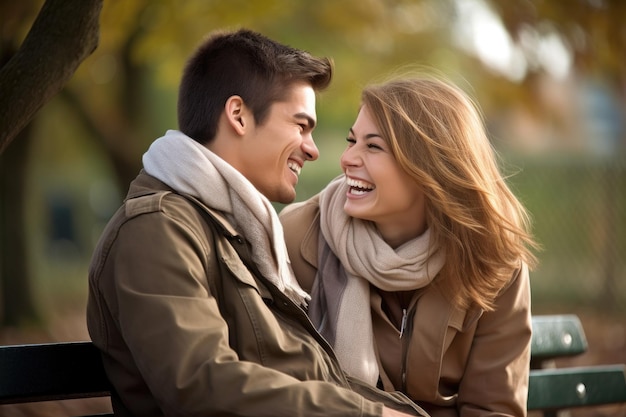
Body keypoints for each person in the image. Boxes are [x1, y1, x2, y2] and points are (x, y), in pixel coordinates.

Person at [86, 29, 427, 417]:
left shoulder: (237, 230)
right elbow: (201, 385)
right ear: (238, 116)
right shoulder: (156, 229)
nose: (313, 150)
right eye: (301, 126)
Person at [280, 75, 538, 416]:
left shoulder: (492, 261)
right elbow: (277, 384)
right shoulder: (298, 237)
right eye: (351, 140)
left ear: (430, 166)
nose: (347, 159)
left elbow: (493, 408)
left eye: (373, 146)